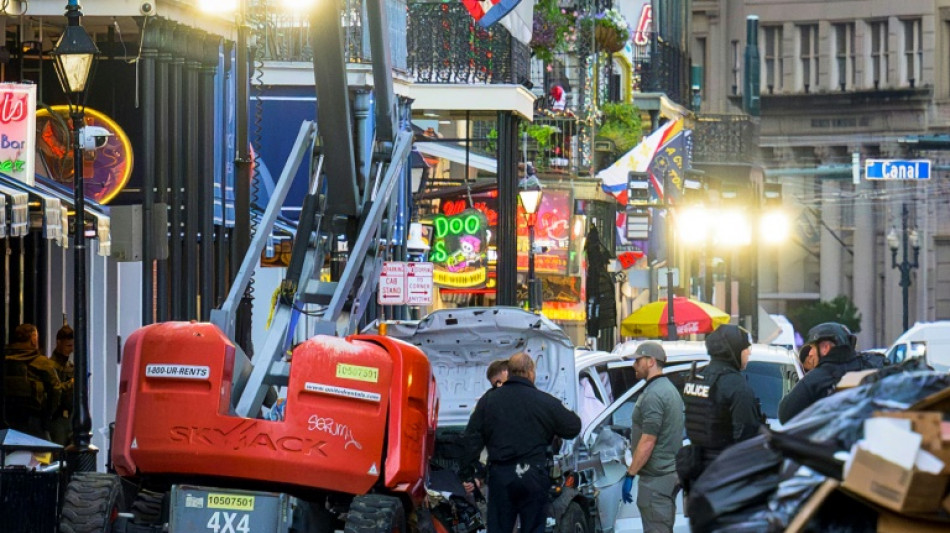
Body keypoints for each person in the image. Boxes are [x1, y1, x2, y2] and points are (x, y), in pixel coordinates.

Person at [460, 352, 581, 533]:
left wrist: (468, 474)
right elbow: (573, 427)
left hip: (501, 477)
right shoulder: (544, 401)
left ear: (509, 372)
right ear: (531, 372)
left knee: (499, 528)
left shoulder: (488, 401)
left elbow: (471, 439)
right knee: (533, 528)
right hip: (533, 475)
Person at [678, 324, 763, 492]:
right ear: (734, 349)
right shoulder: (736, 386)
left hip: (698, 472)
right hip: (727, 477)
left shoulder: (698, 377)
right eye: (746, 348)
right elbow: (747, 435)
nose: (749, 353)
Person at [622, 342, 684, 533]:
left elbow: (648, 440)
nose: (634, 366)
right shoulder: (667, 389)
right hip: (667, 475)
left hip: (657, 480)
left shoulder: (654, 394)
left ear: (650, 362)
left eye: (638, 360)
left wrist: (630, 474)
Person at [778, 322, 875, 424]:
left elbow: (785, 414)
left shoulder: (816, 379)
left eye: (813, 348)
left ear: (825, 348)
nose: (810, 353)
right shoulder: (872, 366)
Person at [3, 323, 63, 440]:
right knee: (44, 453)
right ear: (33, 339)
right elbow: (56, 390)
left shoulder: (6, 360)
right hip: (35, 421)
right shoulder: (41, 362)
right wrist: (48, 415)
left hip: (7, 419)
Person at [48, 325, 76, 445]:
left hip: (70, 417)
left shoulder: (70, 366)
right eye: (68, 346)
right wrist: (72, 383)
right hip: (56, 418)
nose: (71, 349)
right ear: (59, 343)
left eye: (73, 346)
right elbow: (54, 390)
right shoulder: (50, 366)